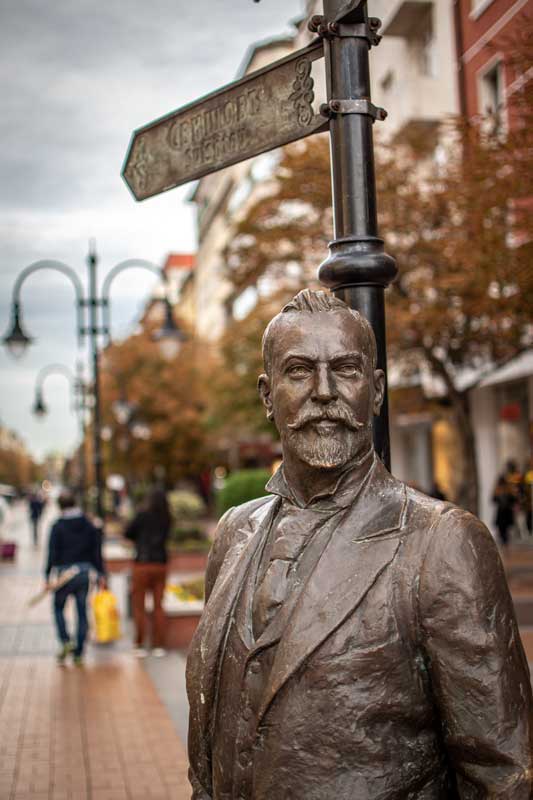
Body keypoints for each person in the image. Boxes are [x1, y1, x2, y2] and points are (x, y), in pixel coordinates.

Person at [187, 290, 533, 800]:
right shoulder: (235, 532)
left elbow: (504, 776)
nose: (324, 392)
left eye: (345, 371)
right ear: (267, 395)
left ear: (375, 392)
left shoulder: (442, 542)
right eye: (300, 371)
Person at [44, 490, 105, 665]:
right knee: (81, 612)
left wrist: (47, 576)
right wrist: (101, 573)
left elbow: (52, 553)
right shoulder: (88, 524)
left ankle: (65, 641)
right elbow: (96, 552)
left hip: (63, 574)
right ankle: (79, 653)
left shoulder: (57, 526)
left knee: (58, 608)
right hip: (84, 573)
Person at [124, 488, 172, 657]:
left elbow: (127, 533)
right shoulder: (166, 517)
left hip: (142, 564)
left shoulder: (142, 515)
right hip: (160, 564)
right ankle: (158, 646)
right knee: (159, 606)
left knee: (139, 606)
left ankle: (140, 645)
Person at [492, 473, 516, 547]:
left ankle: (505, 540)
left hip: (506, 512)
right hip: (501, 512)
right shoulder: (499, 490)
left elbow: (513, 499)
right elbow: (493, 499)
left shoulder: (508, 490)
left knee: (505, 527)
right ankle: (504, 539)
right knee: (501, 527)